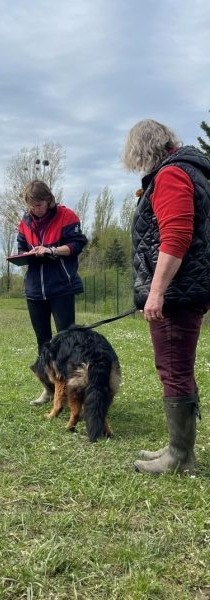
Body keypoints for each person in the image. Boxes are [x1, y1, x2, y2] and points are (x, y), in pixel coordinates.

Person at [123, 119, 210, 475]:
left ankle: (180, 458)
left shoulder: (173, 175)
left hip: (177, 291)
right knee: (178, 368)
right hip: (187, 287)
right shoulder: (190, 171)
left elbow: (175, 237)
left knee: (173, 368)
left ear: (141, 150)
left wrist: (156, 292)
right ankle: (177, 447)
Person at [16, 180, 88, 406]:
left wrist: (51, 250)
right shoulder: (25, 222)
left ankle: (74, 391)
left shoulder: (66, 216)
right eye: (30, 205)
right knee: (43, 343)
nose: (34, 209)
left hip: (61, 288)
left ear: (49, 200)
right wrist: (24, 254)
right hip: (35, 291)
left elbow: (77, 244)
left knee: (68, 340)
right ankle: (48, 390)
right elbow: (20, 247)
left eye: (38, 204)